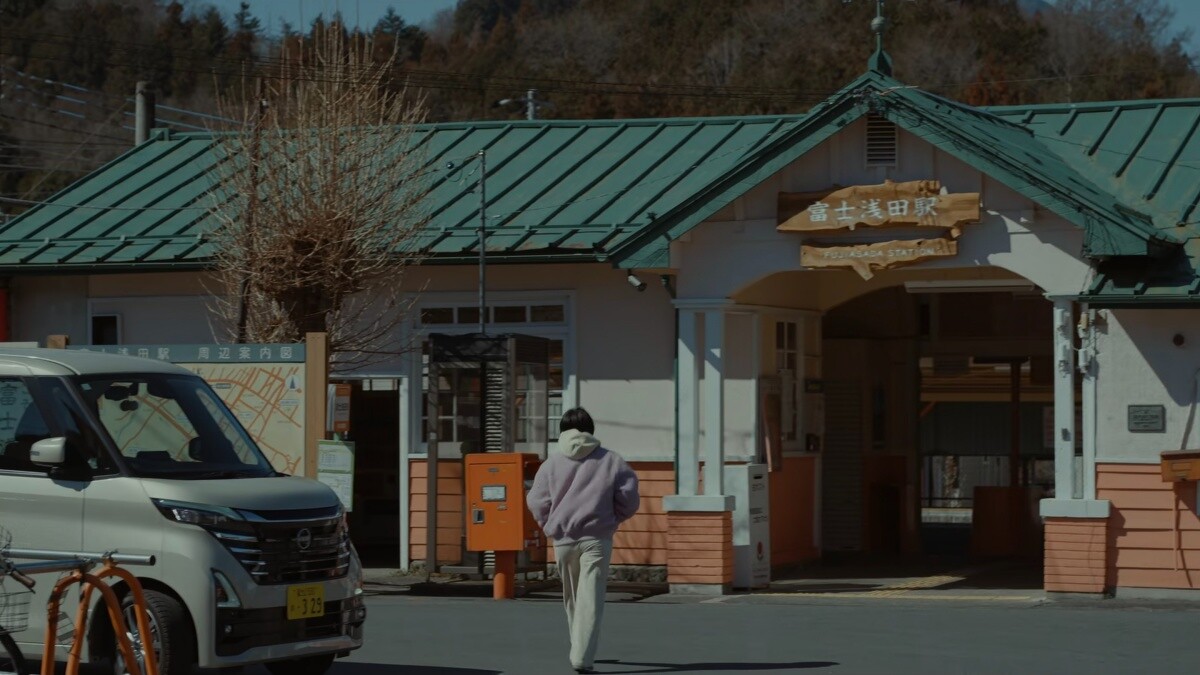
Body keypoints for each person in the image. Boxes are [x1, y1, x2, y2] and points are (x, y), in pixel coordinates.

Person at [527, 407, 640, 674]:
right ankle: (582, 656)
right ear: (590, 430)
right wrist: (613, 519)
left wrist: (549, 524)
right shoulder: (611, 460)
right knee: (591, 598)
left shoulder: (552, 463)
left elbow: (536, 501)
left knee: (573, 598)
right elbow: (629, 499)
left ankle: (579, 648)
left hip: (563, 540)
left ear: (562, 431)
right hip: (597, 538)